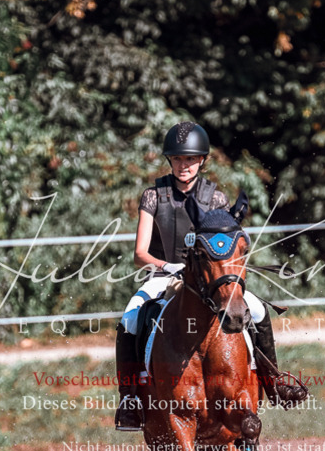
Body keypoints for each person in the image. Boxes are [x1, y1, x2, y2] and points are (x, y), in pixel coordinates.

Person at [114, 120, 307, 430]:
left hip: (211, 276)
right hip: (166, 274)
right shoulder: (153, 196)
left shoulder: (215, 198)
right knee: (130, 318)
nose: (183, 165)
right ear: (170, 161)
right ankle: (130, 398)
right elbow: (140, 254)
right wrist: (168, 266)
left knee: (257, 310)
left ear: (201, 160)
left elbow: (226, 245)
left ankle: (273, 383)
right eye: (177, 159)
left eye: (190, 159)